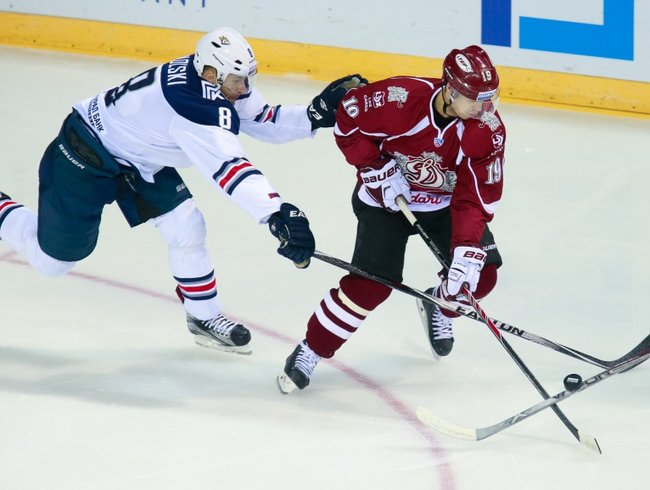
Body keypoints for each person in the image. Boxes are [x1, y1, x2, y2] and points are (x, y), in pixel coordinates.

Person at [0, 27, 366, 355]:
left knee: (186, 227)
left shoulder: (212, 77)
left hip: (138, 156)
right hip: (84, 155)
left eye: (246, 78)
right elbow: (229, 169)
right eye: (236, 81)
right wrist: (274, 212)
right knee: (53, 262)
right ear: (210, 74)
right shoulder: (193, 106)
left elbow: (262, 118)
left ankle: (204, 318)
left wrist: (314, 115)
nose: (243, 89)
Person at [277, 45, 505, 393]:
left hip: (444, 206)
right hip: (386, 200)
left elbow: (473, 197)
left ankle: (439, 306)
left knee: (479, 278)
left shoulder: (487, 130)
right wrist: (373, 167)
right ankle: (311, 349)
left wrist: (467, 248)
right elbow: (347, 120)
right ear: (450, 90)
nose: (484, 109)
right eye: (475, 100)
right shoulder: (398, 97)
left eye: (489, 99)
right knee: (371, 285)